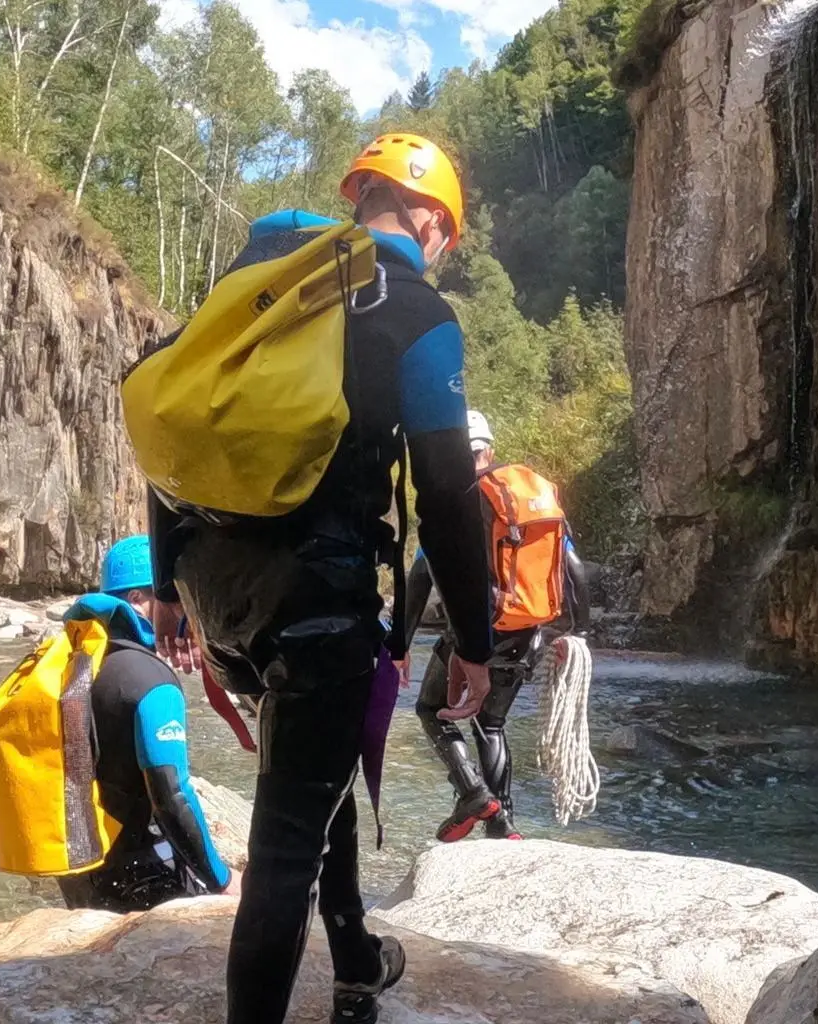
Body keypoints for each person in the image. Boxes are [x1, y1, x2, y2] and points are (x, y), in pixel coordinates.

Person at [148, 133, 494, 1024]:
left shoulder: (263, 287)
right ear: (429, 220)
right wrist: (472, 644)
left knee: (316, 768)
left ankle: (355, 956)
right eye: (446, 234)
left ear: (360, 198)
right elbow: (450, 492)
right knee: (283, 851)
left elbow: (176, 434)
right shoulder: (412, 306)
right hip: (318, 597)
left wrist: (162, 586)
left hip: (214, 586)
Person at [404, 410, 590, 842]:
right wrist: (578, 632)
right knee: (490, 724)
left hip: (474, 634)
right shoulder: (523, 497)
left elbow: (420, 576)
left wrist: (400, 644)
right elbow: (573, 568)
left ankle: (473, 794)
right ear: (489, 450)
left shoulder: (456, 501)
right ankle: (502, 821)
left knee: (431, 710)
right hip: (527, 630)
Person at [52, 534, 233, 911]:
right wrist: (223, 880)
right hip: (145, 878)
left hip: (80, 874)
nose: (188, 613)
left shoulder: (72, 664)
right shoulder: (150, 680)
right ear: (137, 600)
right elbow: (172, 795)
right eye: (177, 599)